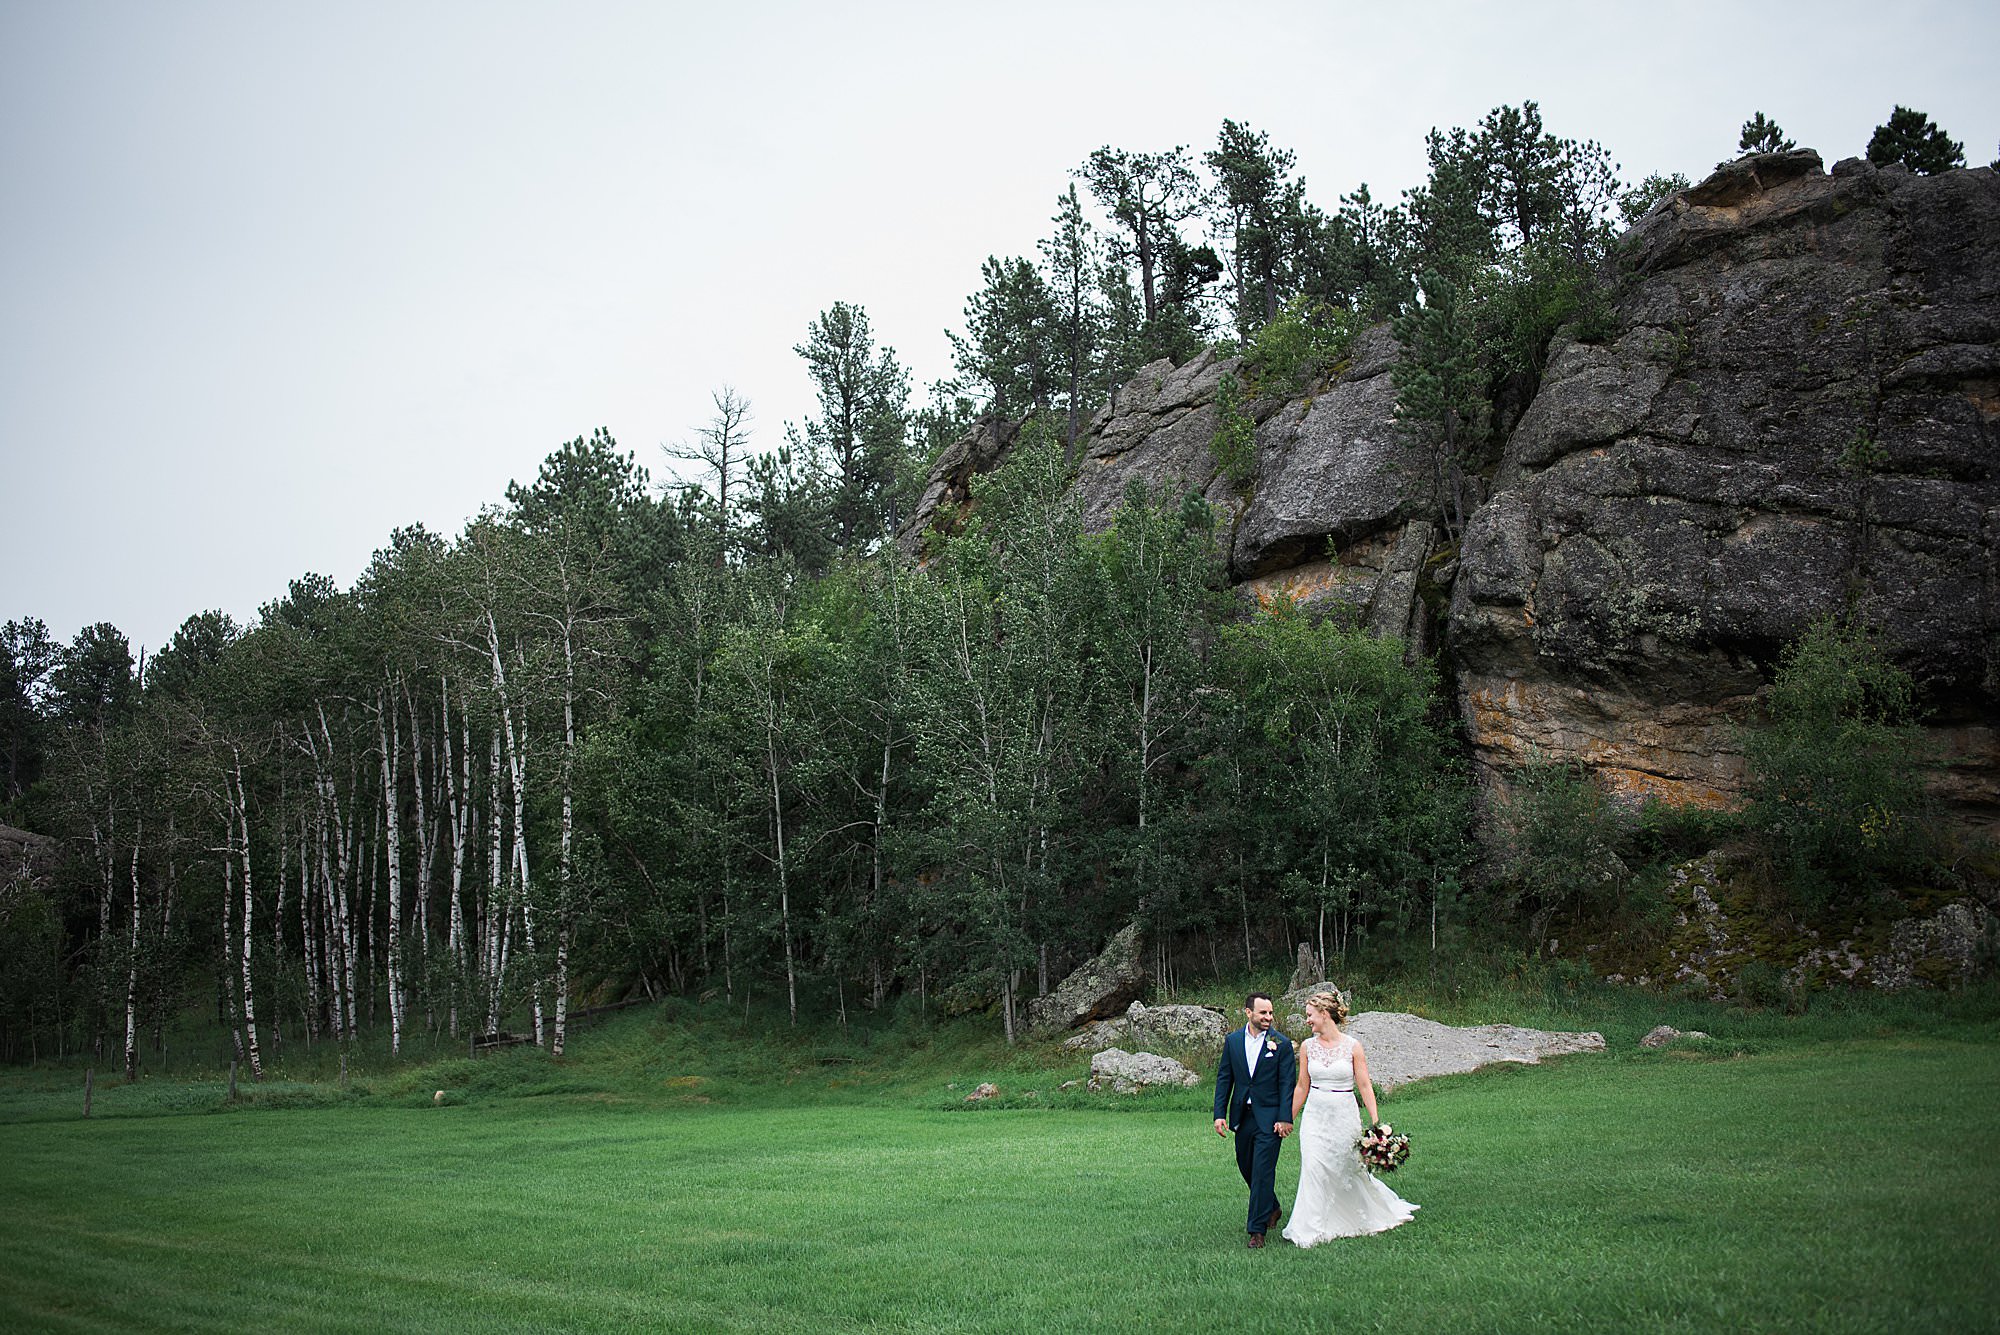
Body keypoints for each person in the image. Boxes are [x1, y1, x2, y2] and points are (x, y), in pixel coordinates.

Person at [1282, 990, 1418, 1245]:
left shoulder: (1352, 1046)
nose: (1307, 1021)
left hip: (1344, 1113)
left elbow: (1364, 1085)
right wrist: (1288, 1117)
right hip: (1315, 1116)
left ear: (1324, 1014)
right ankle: (1310, 1227)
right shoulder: (1307, 1047)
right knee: (1313, 1166)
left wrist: (1377, 1125)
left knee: (1348, 1167)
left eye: (1310, 1015)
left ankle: (1358, 1215)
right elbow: (1302, 1086)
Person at [1211, 992, 1297, 1248]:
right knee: (1245, 1165)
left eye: (1270, 1013)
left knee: (1262, 1170)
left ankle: (1256, 1231)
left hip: (1270, 1118)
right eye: (1263, 1013)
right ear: (1248, 1013)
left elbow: (1287, 1085)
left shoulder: (1280, 1044)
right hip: (1243, 1116)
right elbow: (1225, 1078)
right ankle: (1271, 1206)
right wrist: (1219, 1114)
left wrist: (1285, 1118)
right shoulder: (1233, 1041)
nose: (1268, 1017)